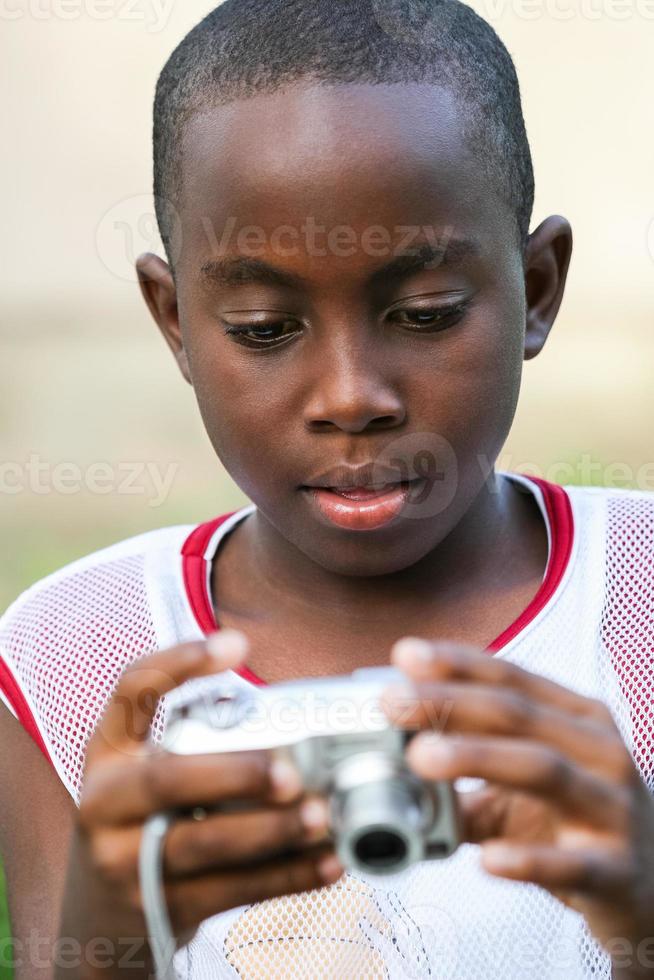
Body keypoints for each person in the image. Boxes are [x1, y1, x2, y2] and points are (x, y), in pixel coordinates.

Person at [1, 0, 653, 977]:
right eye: (265, 327)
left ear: (538, 288)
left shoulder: (638, 605)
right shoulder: (76, 652)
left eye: (426, 312)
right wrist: (114, 941)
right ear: (177, 321)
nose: (353, 396)